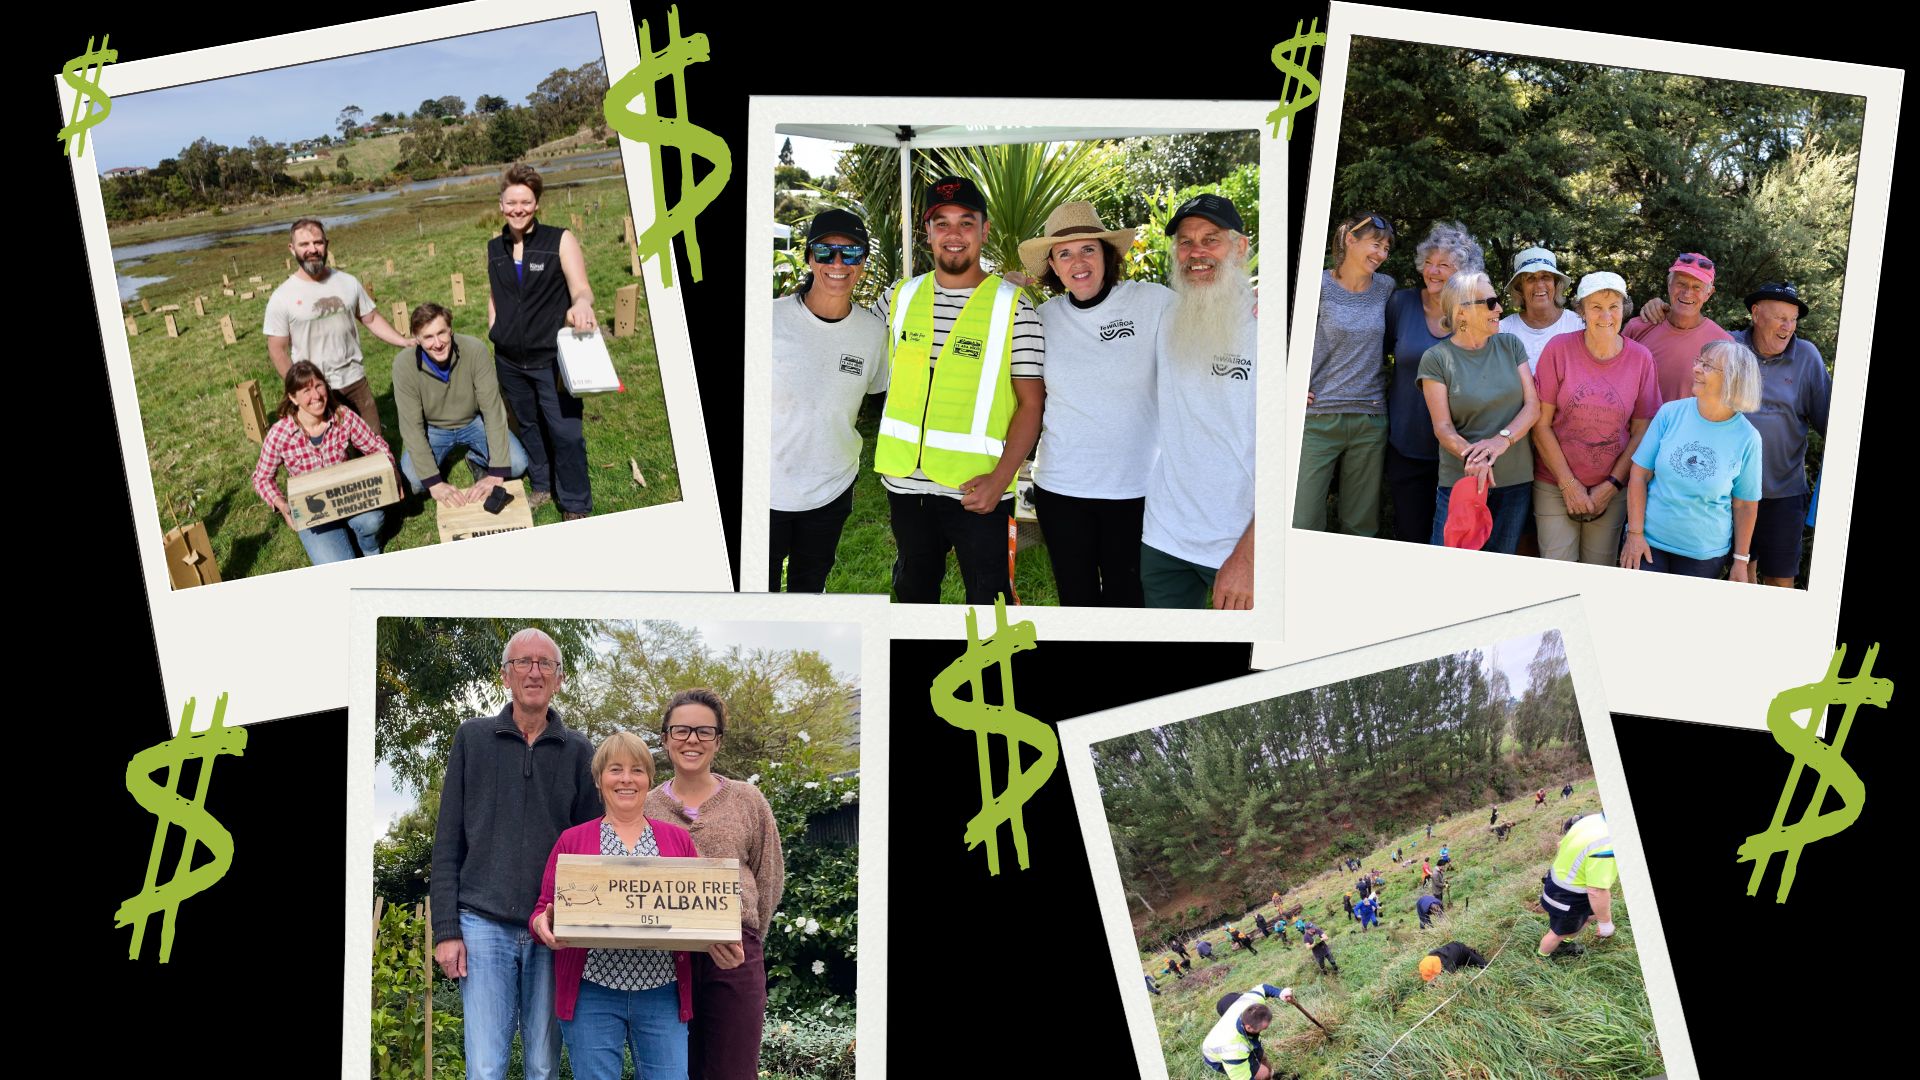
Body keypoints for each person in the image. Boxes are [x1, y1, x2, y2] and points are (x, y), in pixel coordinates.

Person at [430, 629, 602, 1080]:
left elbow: (591, 849)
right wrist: (446, 930)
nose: (534, 671)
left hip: (552, 929)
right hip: (481, 924)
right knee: (486, 1066)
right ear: (506, 675)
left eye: (546, 664)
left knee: (543, 1066)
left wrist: (579, 924)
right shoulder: (473, 739)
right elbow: (448, 840)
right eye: (523, 662)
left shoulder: (580, 751)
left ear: (559, 679)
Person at [873, 175, 1045, 604]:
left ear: (984, 231)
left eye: (966, 223)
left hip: (979, 491)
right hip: (906, 487)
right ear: (927, 233)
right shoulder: (898, 297)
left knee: (990, 604)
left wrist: (1001, 478)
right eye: (942, 223)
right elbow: (841, 333)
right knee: (913, 596)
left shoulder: (1013, 306)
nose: (954, 235)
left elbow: (1032, 403)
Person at [530, 732, 733, 1080]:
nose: (626, 779)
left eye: (637, 770)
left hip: (661, 993)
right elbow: (543, 909)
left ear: (649, 780)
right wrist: (542, 926)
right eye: (615, 769)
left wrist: (721, 941)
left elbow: (699, 911)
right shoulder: (573, 840)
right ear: (598, 779)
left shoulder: (677, 840)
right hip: (592, 991)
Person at [1014, 202, 1168, 606]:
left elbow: (1211, 330)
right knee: (1076, 600)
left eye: (1088, 250)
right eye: (1064, 253)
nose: (1077, 262)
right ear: (1052, 264)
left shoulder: (1152, 303)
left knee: (1129, 600)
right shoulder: (1040, 318)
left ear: (1107, 255)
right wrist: (1000, 294)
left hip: (1135, 488)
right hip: (1062, 488)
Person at [644, 689, 785, 1080]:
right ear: (665, 738)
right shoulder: (646, 806)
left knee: (733, 1069)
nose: (692, 740)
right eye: (682, 730)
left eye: (705, 731)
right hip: (665, 958)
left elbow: (768, 877)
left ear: (718, 740)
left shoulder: (747, 800)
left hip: (734, 953)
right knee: (674, 1068)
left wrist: (748, 932)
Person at [1142, 194, 1258, 609]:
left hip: (1237, 543)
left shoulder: (1269, 327)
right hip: (1162, 537)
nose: (1197, 253)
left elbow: (1288, 457)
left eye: (1212, 240)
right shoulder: (1162, 312)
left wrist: (1250, 556)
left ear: (1240, 247)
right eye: (1186, 242)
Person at [771, 208, 890, 591]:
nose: (838, 263)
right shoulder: (767, 319)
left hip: (831, 490)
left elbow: (883, 397)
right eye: (825, 252)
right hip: (764, 491)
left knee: (809, 594)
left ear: (863, 264)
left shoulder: (874, 334)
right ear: (809, 258)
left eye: (851, 254)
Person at [487, 163, 598, 520]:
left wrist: (581, 304)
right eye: (511, 202)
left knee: (565, 431)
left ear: (536, 204)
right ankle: (542, 484)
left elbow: (581, 288)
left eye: (526, 202)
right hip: (508, 360)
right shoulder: (494, 248)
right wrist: (495, 329)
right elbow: (496, 295)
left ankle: (575, 502)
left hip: (552, 358)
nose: (518, 209)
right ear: (501, 205)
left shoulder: (559, 240)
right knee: (529, 424)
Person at [1530, 273, 1661, 565]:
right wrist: (1568, 484)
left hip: (1611, 488)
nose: (1605, 315)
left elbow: (1642, 431)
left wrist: (1612, 485)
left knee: (1598, 572)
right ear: (1581, 311)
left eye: (1613, 306)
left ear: (1624, 309)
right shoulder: (1558, 349)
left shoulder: (1641, 359)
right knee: (1556, 573)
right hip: (1554, 482)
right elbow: (1540, 424)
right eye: (1595, 306)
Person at [1621, 341, 1764, 579]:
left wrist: (1740, 561)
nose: (1696, 369)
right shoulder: (1669, 413)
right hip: (1648, 545)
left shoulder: (1747, 438)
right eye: (1698, 361)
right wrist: (1634, 534)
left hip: (1704, 557)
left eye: (1707, 366)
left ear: (1733, 379)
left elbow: (1745, 505)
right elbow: (1639, 474)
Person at [1419, 271, 1539, 553]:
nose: (1499, 309)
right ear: (1461, 312)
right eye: (1490, 302)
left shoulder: (1510, 345)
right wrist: (1476, 458)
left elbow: (1533, 406)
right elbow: (1443, 428)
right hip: (1461, 482)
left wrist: (1501, 441)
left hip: (1515, 481)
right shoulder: (1436, 358)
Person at [264, 217, 414, 435]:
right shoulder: (282, 297)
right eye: (304, 244)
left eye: (318, 243)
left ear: (327, 244)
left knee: (374, 446)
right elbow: (277, 349)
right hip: (315, 389)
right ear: (292, 248)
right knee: (331, 456)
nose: (312, 249)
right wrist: (300, 389)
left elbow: (370, 318)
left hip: (355, 380)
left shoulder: (347, 282)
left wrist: (403, 341)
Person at [1385, 223, 1486, 543]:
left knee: (1453, 541)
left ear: (1462, 273)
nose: (1433, 270)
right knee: (1410, 537)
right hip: (1406, 447)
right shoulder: (1400, 304)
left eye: (1444, 265)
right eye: (1429, 261)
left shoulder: (1474, 314)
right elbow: (1371, 357)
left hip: (1459, 453)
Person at [1298, 211, 1396, 536]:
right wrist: (1289, 383)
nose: (1381, 254)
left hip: (1369, 420)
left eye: (1386, 249)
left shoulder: (1385, 287)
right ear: (1350, 239)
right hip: (1317, 418)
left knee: (1360, 526)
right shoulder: (1316, 284)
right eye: (1375, 244)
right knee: (1302, 520)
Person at [1730, 282, 1831, 588]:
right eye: (1780, 318)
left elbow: (1832, 424)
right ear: (1756, 314)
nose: (1788, 327)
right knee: (1736, 578)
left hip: (1784, 494)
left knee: (1780, 580)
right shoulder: (1729, 348)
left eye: (1793, 319)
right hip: (1728, 492)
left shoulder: (1807, 357)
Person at [249, 360, 395, 564]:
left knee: (371, 520)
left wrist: (390, 469)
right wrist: (282, 505)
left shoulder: (342, 416)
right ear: (293, 397)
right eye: (306, 391)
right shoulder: (280, 433)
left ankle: (369, 546)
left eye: (319, 386)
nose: (316, 396)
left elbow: (376, 446)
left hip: (350, 495)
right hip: (313, 512)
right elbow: (262, 478)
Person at [392, 303, 529, 506]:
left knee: (517, 464)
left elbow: (492, 409)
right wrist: (434, 481)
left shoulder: (474, 350)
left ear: (451, 329)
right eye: (428, 337)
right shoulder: (403, 365)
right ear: (416, 338)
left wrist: (497, 472)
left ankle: (476, 458)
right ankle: (439, 462)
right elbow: (411, 427)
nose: (437, 343)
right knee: (414, 481)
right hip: (434, 429)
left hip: (473, 422)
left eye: (441, 333)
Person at [1624, 252, 1733, 404]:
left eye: (1697, 287)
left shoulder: (1724, 345)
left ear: (1709, 293)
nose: (1687, 293)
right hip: (1636, 428)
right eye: (1681, 284)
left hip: (1690, 428)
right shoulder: (1637, 327)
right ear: (1669, 285)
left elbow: (1727, 405)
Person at [1539, 813, 1620, 958]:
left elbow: (1560, 844)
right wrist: (1606, 924)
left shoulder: (1592, 819)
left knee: (1589, 917)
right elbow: (1596, 890)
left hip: (1560, 882)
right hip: (1568, 895)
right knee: (1557, 933)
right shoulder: (1607, 842)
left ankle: (1566, 942)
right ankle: (1541, 958)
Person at [1498, 247, 1585, 373]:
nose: (1539, 285)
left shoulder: (1578, 325)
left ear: (1556, 284)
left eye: (1546, 277)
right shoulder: (1504, 330)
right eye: (1530, 278)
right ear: (1519, 288)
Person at [1202, 984, 1293, 1080]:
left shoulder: (1251, 1005)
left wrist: (1281, 993)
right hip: (1216, 1055)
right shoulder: (1233, 1050)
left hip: (1242, 1038)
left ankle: (1272, 1076)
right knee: (1263, 1074)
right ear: (1249, 1028)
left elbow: (1263, 988)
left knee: (1263, 1058)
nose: (1266, 1029)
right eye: (1263, 1028)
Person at [1419, 941, 1489, 981]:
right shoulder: (1431, 956)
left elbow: (1451, 979)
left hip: (1463, 951)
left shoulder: (1449, 965)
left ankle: (1474, 953)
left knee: (1484, 965)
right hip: (1451, 947)